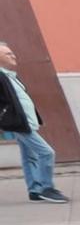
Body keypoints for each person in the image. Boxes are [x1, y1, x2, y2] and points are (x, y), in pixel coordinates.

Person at [0, 41, 67, 204]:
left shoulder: (10, 76)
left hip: (25, 122)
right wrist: (4, 115)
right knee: (46, 152)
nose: (13, 56)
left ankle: (35, 190)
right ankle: (47, 188)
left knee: (29, 156)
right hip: (17, 123)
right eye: (8, 54)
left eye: (12, 52)